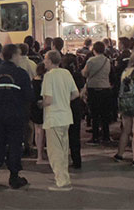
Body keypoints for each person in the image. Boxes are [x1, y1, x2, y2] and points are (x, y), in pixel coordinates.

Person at [0, 44, 33, 190]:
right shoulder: (21, 74)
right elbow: (29, 96)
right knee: (15, 145)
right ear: (14, 55)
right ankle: (14, 177)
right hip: (16, 115)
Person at [41, 50, 79, 191]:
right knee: (63, 150)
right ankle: (64, 176)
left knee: (54, 151)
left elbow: (48, 100)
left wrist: (40, 104)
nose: (44, 62)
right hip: (66, 116)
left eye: (45, 59)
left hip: (53, 117)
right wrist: (64, 100)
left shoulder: (49, 76)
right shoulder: (66, 73)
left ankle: (61, 181)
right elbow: (75, 93)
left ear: (50, 61)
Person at [82, 41, 112, 145]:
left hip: (93, 88)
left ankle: (95, 137)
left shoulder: (91, 61)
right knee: (105, 114)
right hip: (105, 88)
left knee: (94, 114)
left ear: (94, 50)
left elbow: (85, 73)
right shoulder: (107, 61)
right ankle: (106, 136)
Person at [61, 53, 85, 170]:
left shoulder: (62, 75)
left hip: (63, 105)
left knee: (63, 134)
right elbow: (82, 88)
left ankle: (63, 160)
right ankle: (77, 160)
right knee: (75, 134)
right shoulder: (77, 75)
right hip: (75, 106)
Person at [31, 62, 46, 164]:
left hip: (35, 107)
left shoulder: (34, 81)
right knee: (44, 131)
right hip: (45, 106)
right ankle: (42, 153)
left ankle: (39, 154)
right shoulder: (46, 81)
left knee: (38, 131)